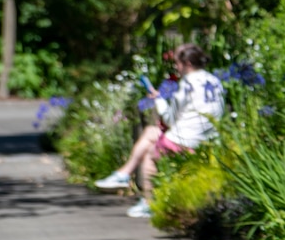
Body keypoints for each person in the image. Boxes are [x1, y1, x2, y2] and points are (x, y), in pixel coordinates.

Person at [95, 44, 225, 218]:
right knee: (150, 132)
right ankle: (123, 174)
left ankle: (147, 201)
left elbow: (170, 119)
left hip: (185, 141)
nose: (176, 68)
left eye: (177, 63)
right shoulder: (214, 81)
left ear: (186, 63)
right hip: (209, 139)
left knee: (150, 152)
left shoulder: (187, 84)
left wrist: (159, 100)